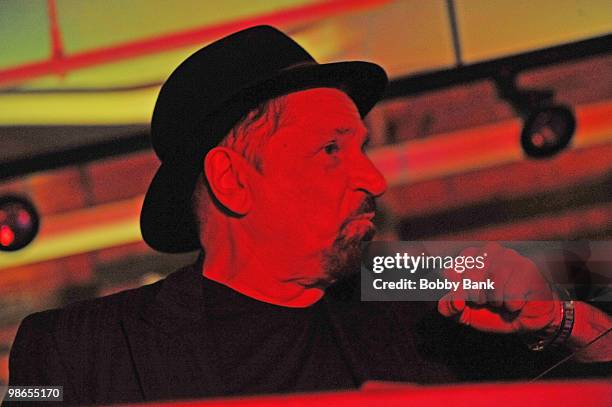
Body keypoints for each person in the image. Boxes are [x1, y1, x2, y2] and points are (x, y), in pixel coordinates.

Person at [4, 26, 610, 406]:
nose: (373, 177)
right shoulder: (69, 348)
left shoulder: (416, 283)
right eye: (330, 150)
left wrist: (564, 322)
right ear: (232, 180)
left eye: (363, 147)